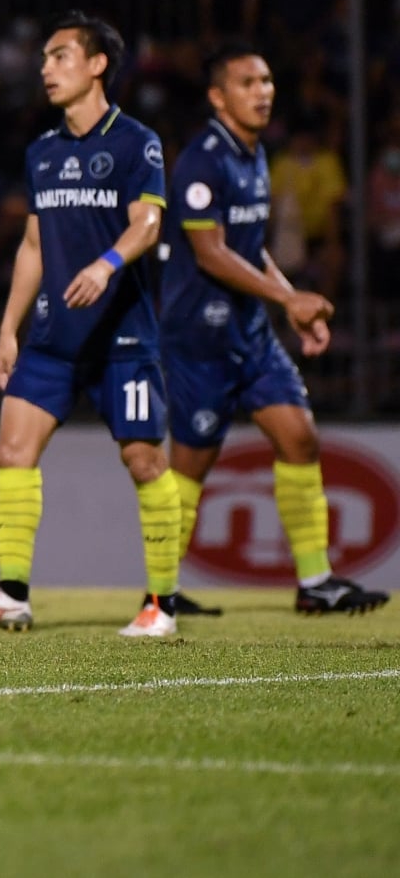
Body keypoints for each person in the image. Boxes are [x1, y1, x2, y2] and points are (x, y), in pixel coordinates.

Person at [0, 12, 185, 638]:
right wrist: (7, 328)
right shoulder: (43, 153)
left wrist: (107, 266)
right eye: (45, 59)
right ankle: (13, 594)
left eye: (59, 56)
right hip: (53, 339)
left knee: (144, 461)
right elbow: (32, 244)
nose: (45, 68)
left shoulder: (136, 142)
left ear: (98, 64)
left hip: (123, 339)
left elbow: (150, 223)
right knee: (12, 450)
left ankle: (163, 603)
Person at [161, 45, 388, 615]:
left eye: (267, 80)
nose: (263, 91)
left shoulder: (256, 156)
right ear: (219, 95)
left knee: (300, 437)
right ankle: (159, 594)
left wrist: (287, 304)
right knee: (191, 464)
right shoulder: (202, 160)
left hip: (249, 332)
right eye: (247, 82)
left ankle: (317, 582)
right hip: (198, 339)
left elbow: (248, 248)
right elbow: (211, 254)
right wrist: (290, 296)